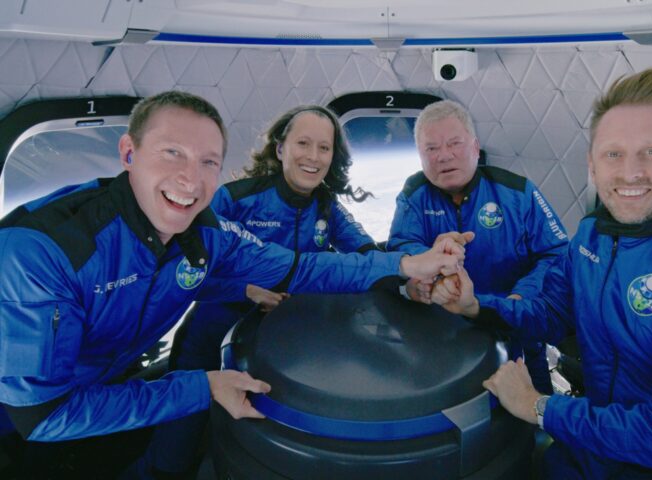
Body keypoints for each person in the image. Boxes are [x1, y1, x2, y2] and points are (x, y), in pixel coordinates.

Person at [0, 91, 464, 477]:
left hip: (106, 386)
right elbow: (41, 415)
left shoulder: (206, 234)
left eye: (208, 162)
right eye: (172, 153)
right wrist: (203, 383)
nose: (190, 179)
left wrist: (407, 268)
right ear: (128, 153)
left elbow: (302, 268)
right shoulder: (42, 252)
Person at [432, 66, 652, 478]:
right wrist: (475, 306)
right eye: (613, 154)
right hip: (593, 446)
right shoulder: (593, 234)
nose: (630, 172)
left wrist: (538, 407)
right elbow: (552, 312)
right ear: (592, 164)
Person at [144, 104, 382, 477]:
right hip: (212, 331)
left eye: (324, 147)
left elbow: (368, 253)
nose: (313, 156)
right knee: (179, 437)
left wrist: (410, 271)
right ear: (280, 148)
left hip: (281, 341)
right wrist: (247, 290)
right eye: (303, 143)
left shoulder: (327, 207)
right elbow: (186, 270)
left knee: (252, 434)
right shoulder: (236, 199)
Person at [387, 99, 569, 395]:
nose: (444, 156)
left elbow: (557, 253)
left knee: (529, 410)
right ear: (420, 156)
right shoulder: (413, 195)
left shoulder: (518, 193)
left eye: (454, 143)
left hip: (513, 326)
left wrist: (522, 295)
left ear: (475, 147)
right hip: (444, 334)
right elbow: (400, 248)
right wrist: (433, 266)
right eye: (431, 149)